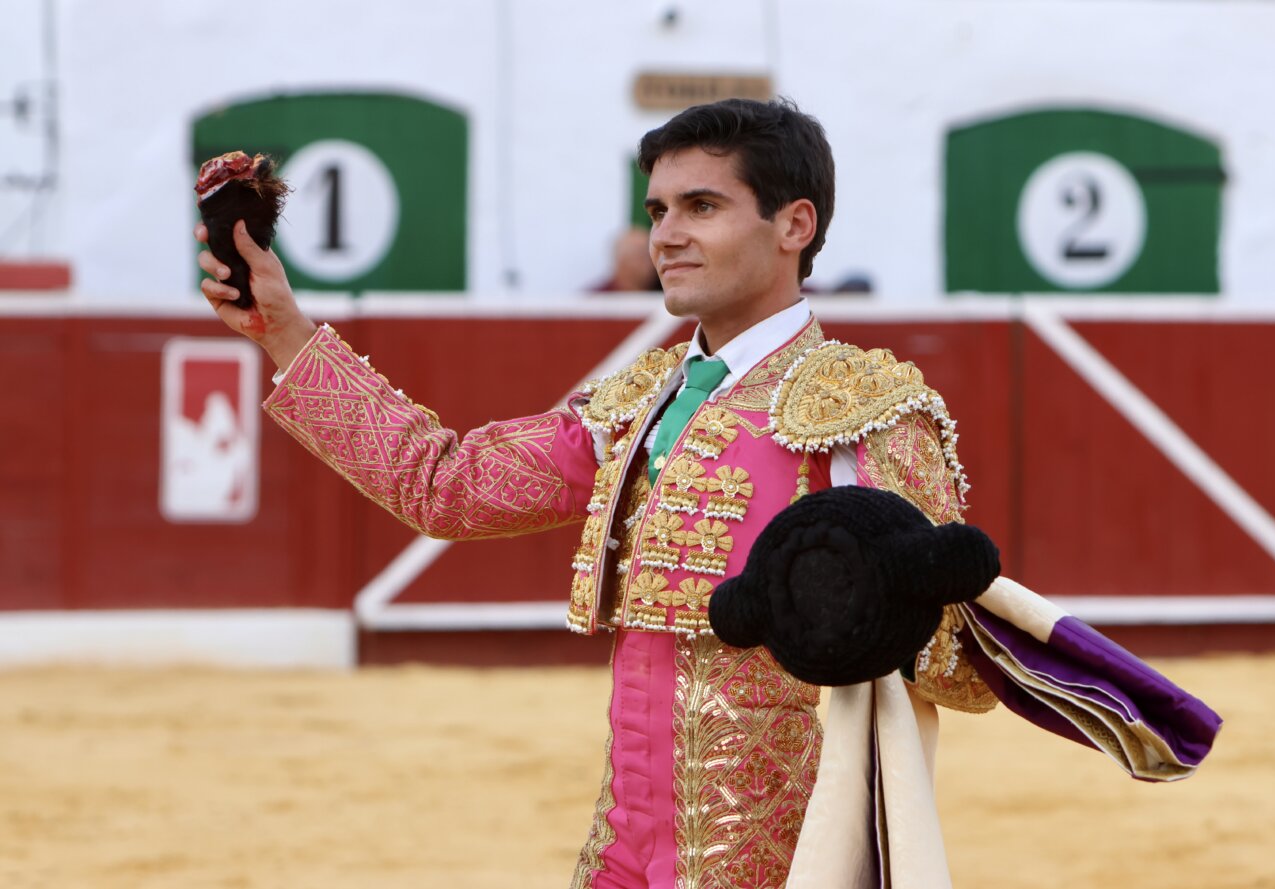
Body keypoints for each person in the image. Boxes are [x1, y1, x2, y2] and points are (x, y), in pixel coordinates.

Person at [197, 99, 1218, 889]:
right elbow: (445, 488)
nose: (666, 236)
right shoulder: (636, 403)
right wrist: (284, 329)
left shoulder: (859, 409)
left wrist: (874, 613)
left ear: (794, 224)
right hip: (622, 846)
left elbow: (950, 663)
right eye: (656, 211)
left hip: (780, 853)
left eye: (701, 206)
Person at [589, 226, 663, 292]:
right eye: (642, 255)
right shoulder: (595, 298)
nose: (650, 262)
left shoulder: (662, 291)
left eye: (650, 255)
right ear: (622, 260)